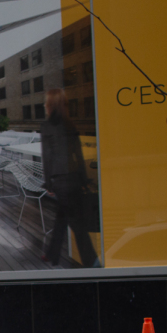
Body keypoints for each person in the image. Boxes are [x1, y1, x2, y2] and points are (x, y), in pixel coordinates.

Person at [40, 88, 98, 267]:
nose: (44, 105)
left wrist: (48, 183)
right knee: (63, 215)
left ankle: (93, 263)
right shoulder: (70, 125)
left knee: (75, 223)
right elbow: (77, 155)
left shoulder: (47, 126)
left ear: (51, 105)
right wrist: (83, 180)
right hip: (73, 179)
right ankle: (52, 254)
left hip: (60, 181)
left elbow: (47, 157)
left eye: (46, 102)